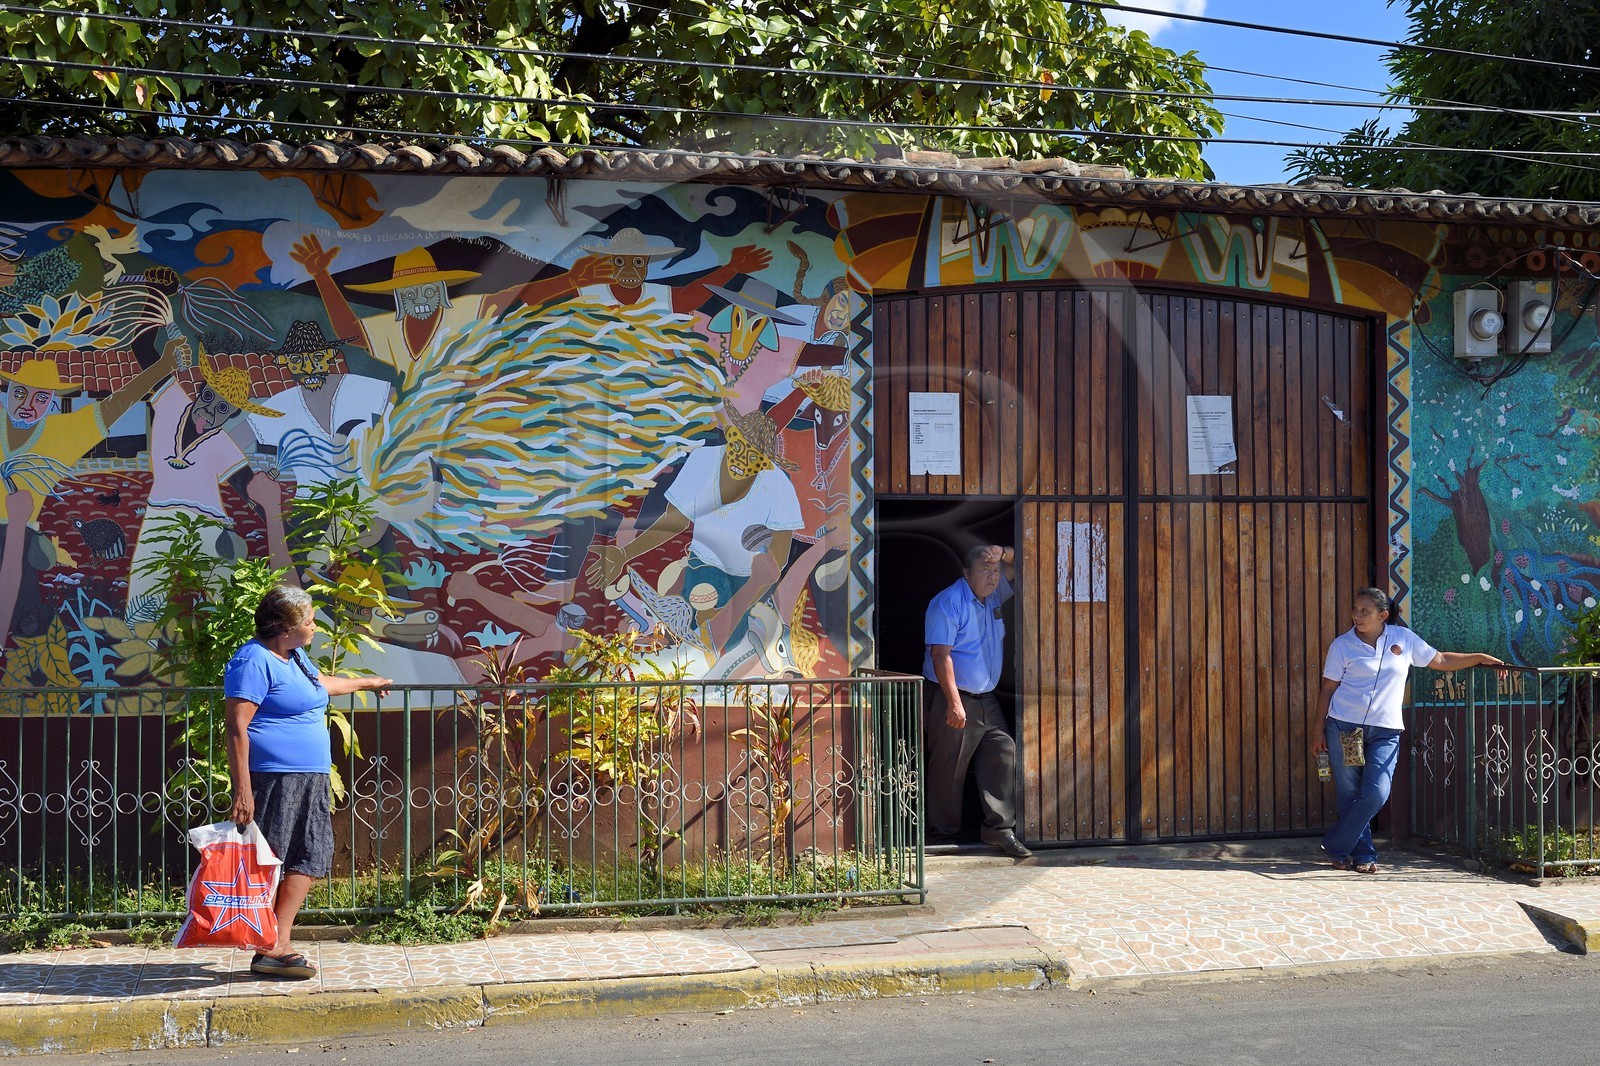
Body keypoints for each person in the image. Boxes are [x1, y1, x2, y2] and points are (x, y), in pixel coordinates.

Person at [223, 585, 392, 979]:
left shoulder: (294, 656)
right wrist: (242, 789)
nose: (316, 626)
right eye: (310, 621)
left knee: (312, 853)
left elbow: (319, 684)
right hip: (273, 778)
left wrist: (367, 683)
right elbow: (235, 727)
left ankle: (275, 940)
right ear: (285, 628)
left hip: (310, 775)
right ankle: (270, 946)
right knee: (272, 858)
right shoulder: (253, 660)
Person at [1312, 587, 1504, 874]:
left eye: (1365, 611)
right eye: (1355, 609)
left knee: (1376, 793)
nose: (1357, 616)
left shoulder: (1402, 638)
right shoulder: (1342, 645)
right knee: (1349, 793)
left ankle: (1336, 844)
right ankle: (1363, 855)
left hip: (1386, 731)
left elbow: (1440, 660)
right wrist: (1317, 731)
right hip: (1344, 728)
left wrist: (1478, 657)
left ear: (1383, 615)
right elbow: (1328, 689)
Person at [923, 544, 1031, 859]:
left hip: (986, 697)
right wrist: (954, 703)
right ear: (966, 574)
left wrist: (1003, 552)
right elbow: (940, 655)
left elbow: (1025, 563)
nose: (992, 576)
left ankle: (999, 829)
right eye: (985, 570)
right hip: (952, 696)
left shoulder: (993, 597)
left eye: (995, 570)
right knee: (949, 767)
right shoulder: (948, 602)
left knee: (1003, 750)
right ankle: (941, 835)